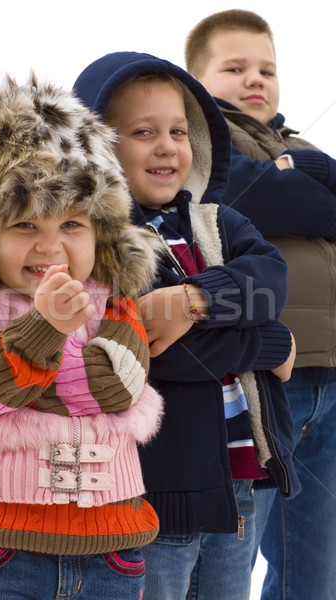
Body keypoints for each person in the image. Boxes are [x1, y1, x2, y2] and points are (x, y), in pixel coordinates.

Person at [73, 51, 299, 600]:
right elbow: (160, 354)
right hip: (157, 493)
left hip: (239, 480)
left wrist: (196, 298)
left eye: (178, 130)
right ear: (97, 149)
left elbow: (269, 277)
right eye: (143, 132)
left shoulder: (217, 221)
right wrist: (272, 342)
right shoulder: (103, 243)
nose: (167, 146)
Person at [0, 73, 165, 600]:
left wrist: (20, 377)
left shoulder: (116, 301)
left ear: (99, 231)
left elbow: (117, 386)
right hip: (0, 550)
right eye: (23, 227)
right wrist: (46, 329)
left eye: (71, 225)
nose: (49, 247)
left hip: (112, 551)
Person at [185, 9, 336, 600]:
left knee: (315, 555)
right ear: (198, 81)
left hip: (330, 374)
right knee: (239, 545)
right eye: (235, 67)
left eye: (267, 69)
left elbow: (295, 197)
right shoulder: (206, 142)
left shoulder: (298, 146)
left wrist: (303, 173)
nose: (256, 79)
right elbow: (267, 200)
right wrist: (305, 184)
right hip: (270, 375)